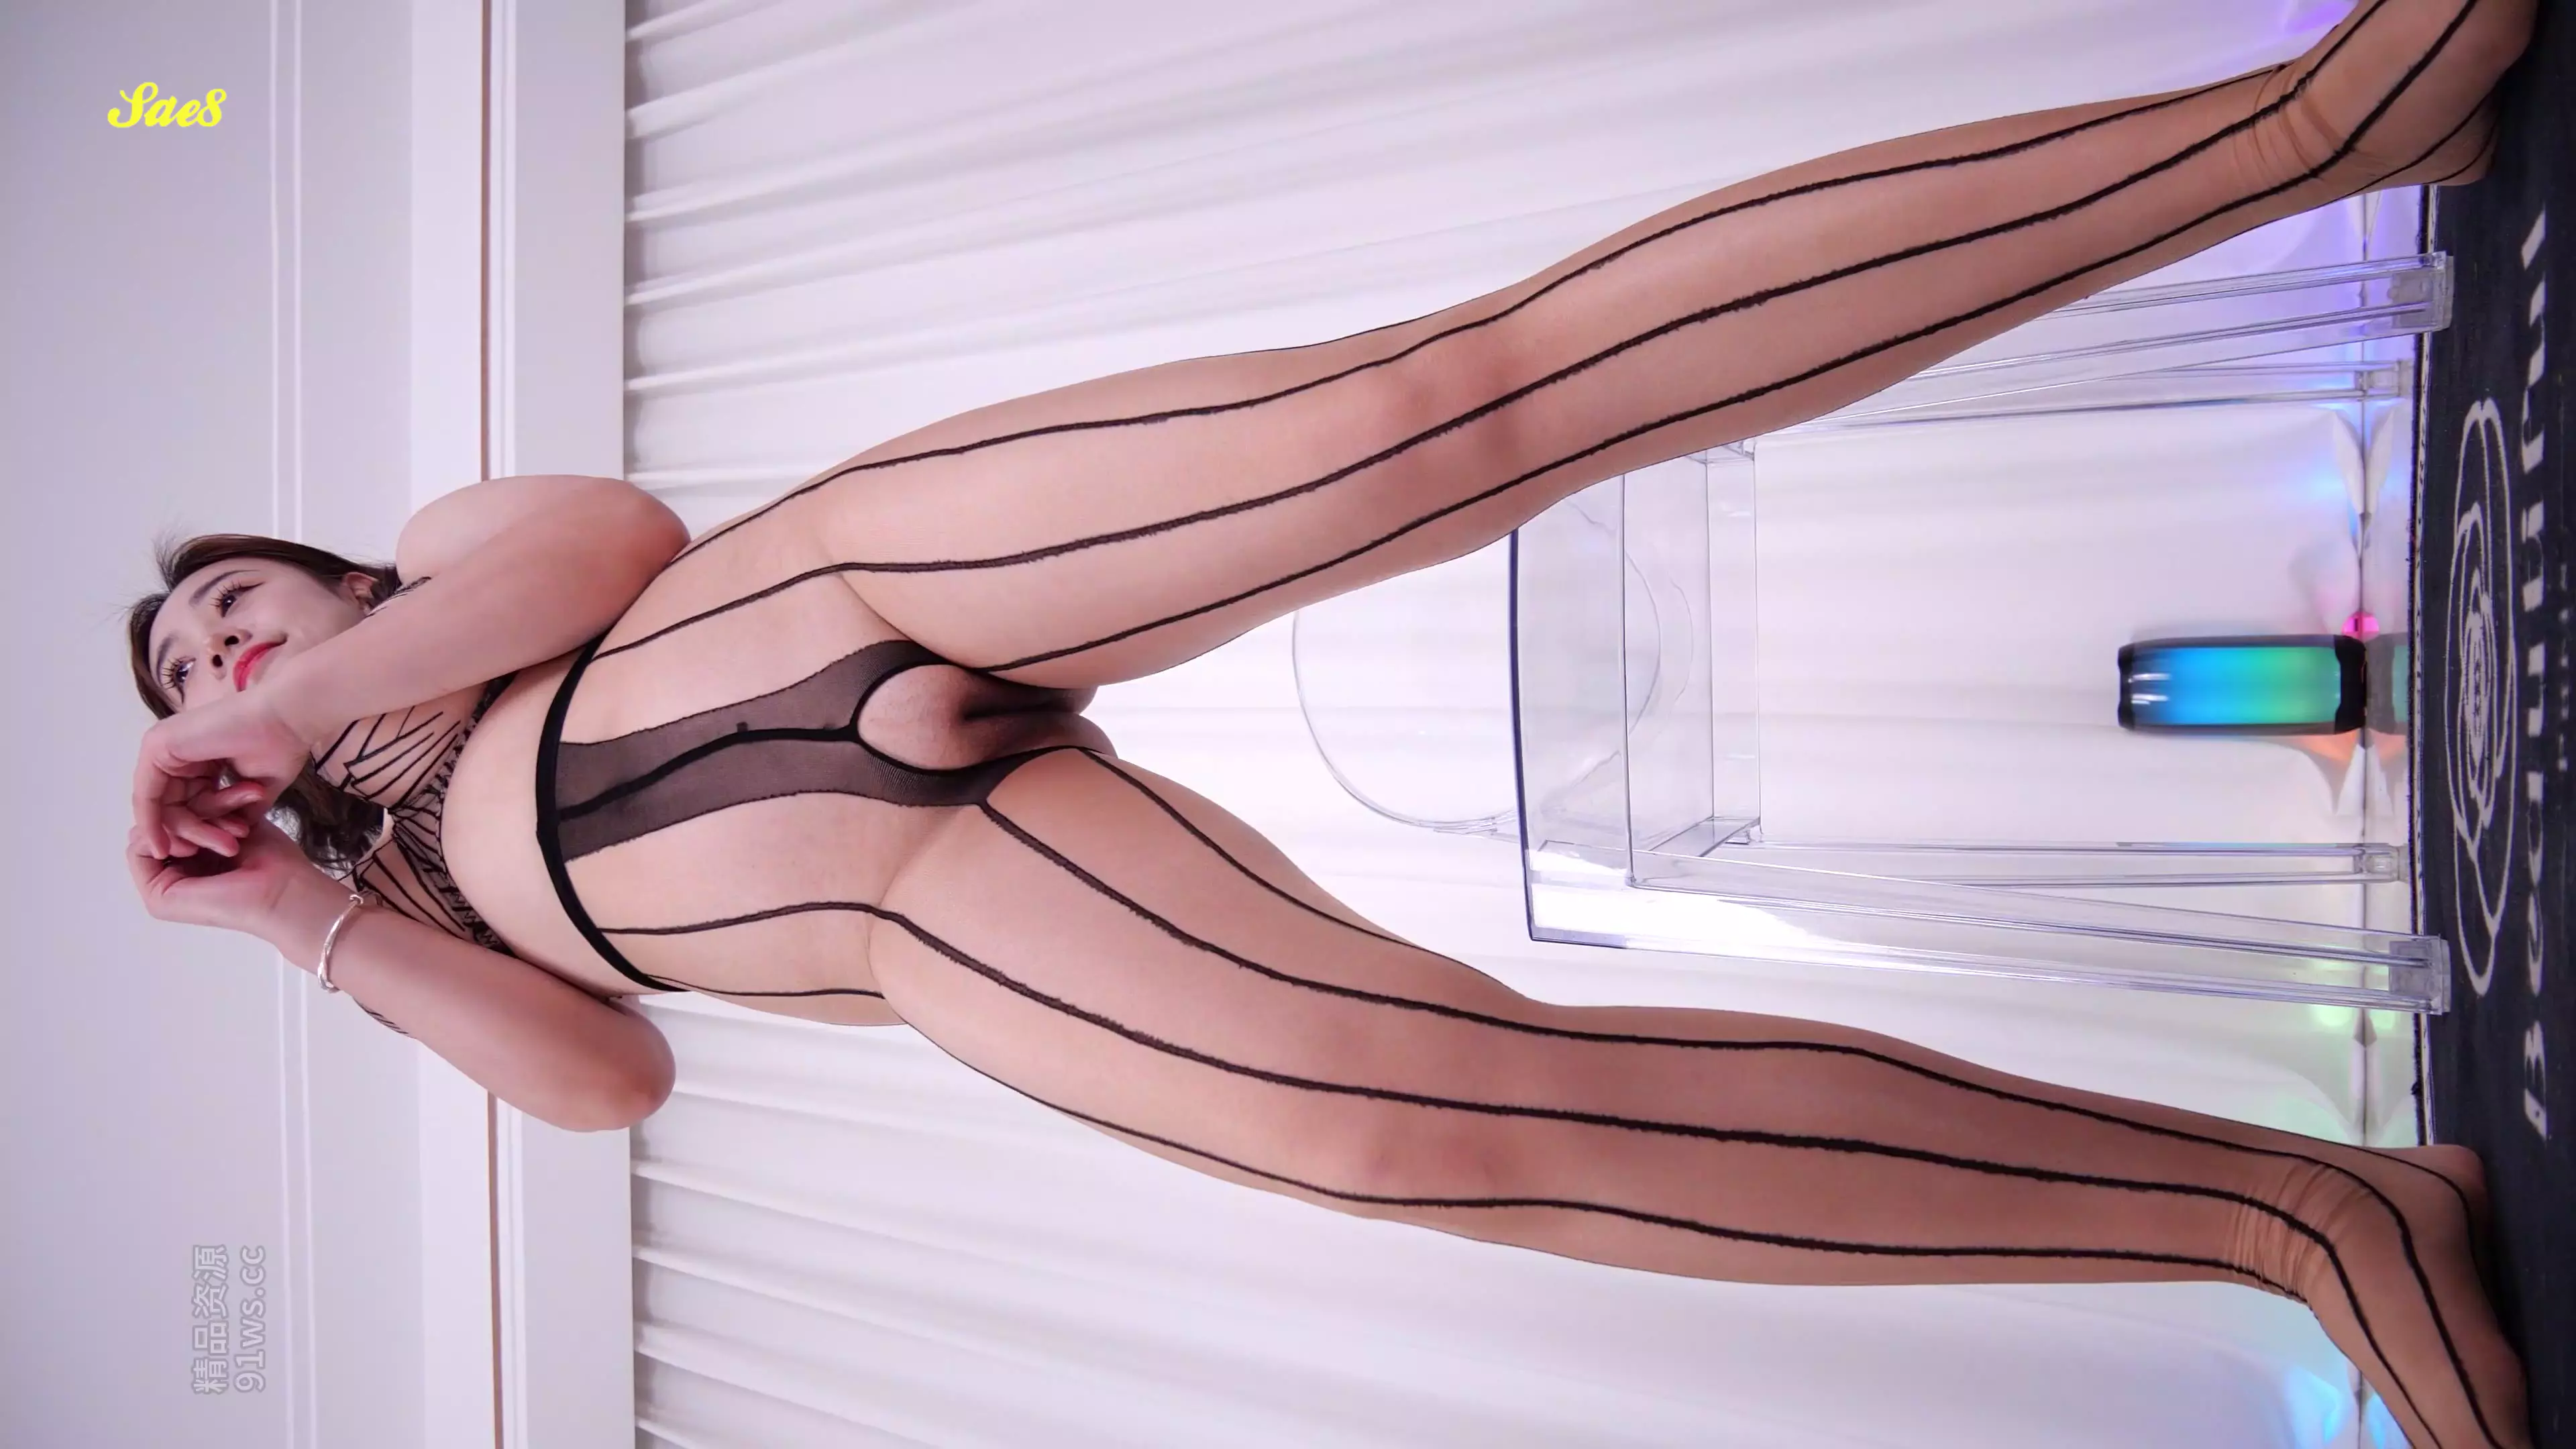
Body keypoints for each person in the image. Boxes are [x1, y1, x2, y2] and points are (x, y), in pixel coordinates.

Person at [125, 1, 2536, 1442]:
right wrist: (280, 912)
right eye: (183, 685)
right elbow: (603, 1083)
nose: (217, 666)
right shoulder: (403, 905)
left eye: (226, 612)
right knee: (1417, 1135)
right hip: (915, 906)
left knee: (1449, 407)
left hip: (856, 588)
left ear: (319, 580)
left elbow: (604, 548)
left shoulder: (447, 568)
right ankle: (2303, 1213)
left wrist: (315, 687)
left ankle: (2313, 126)